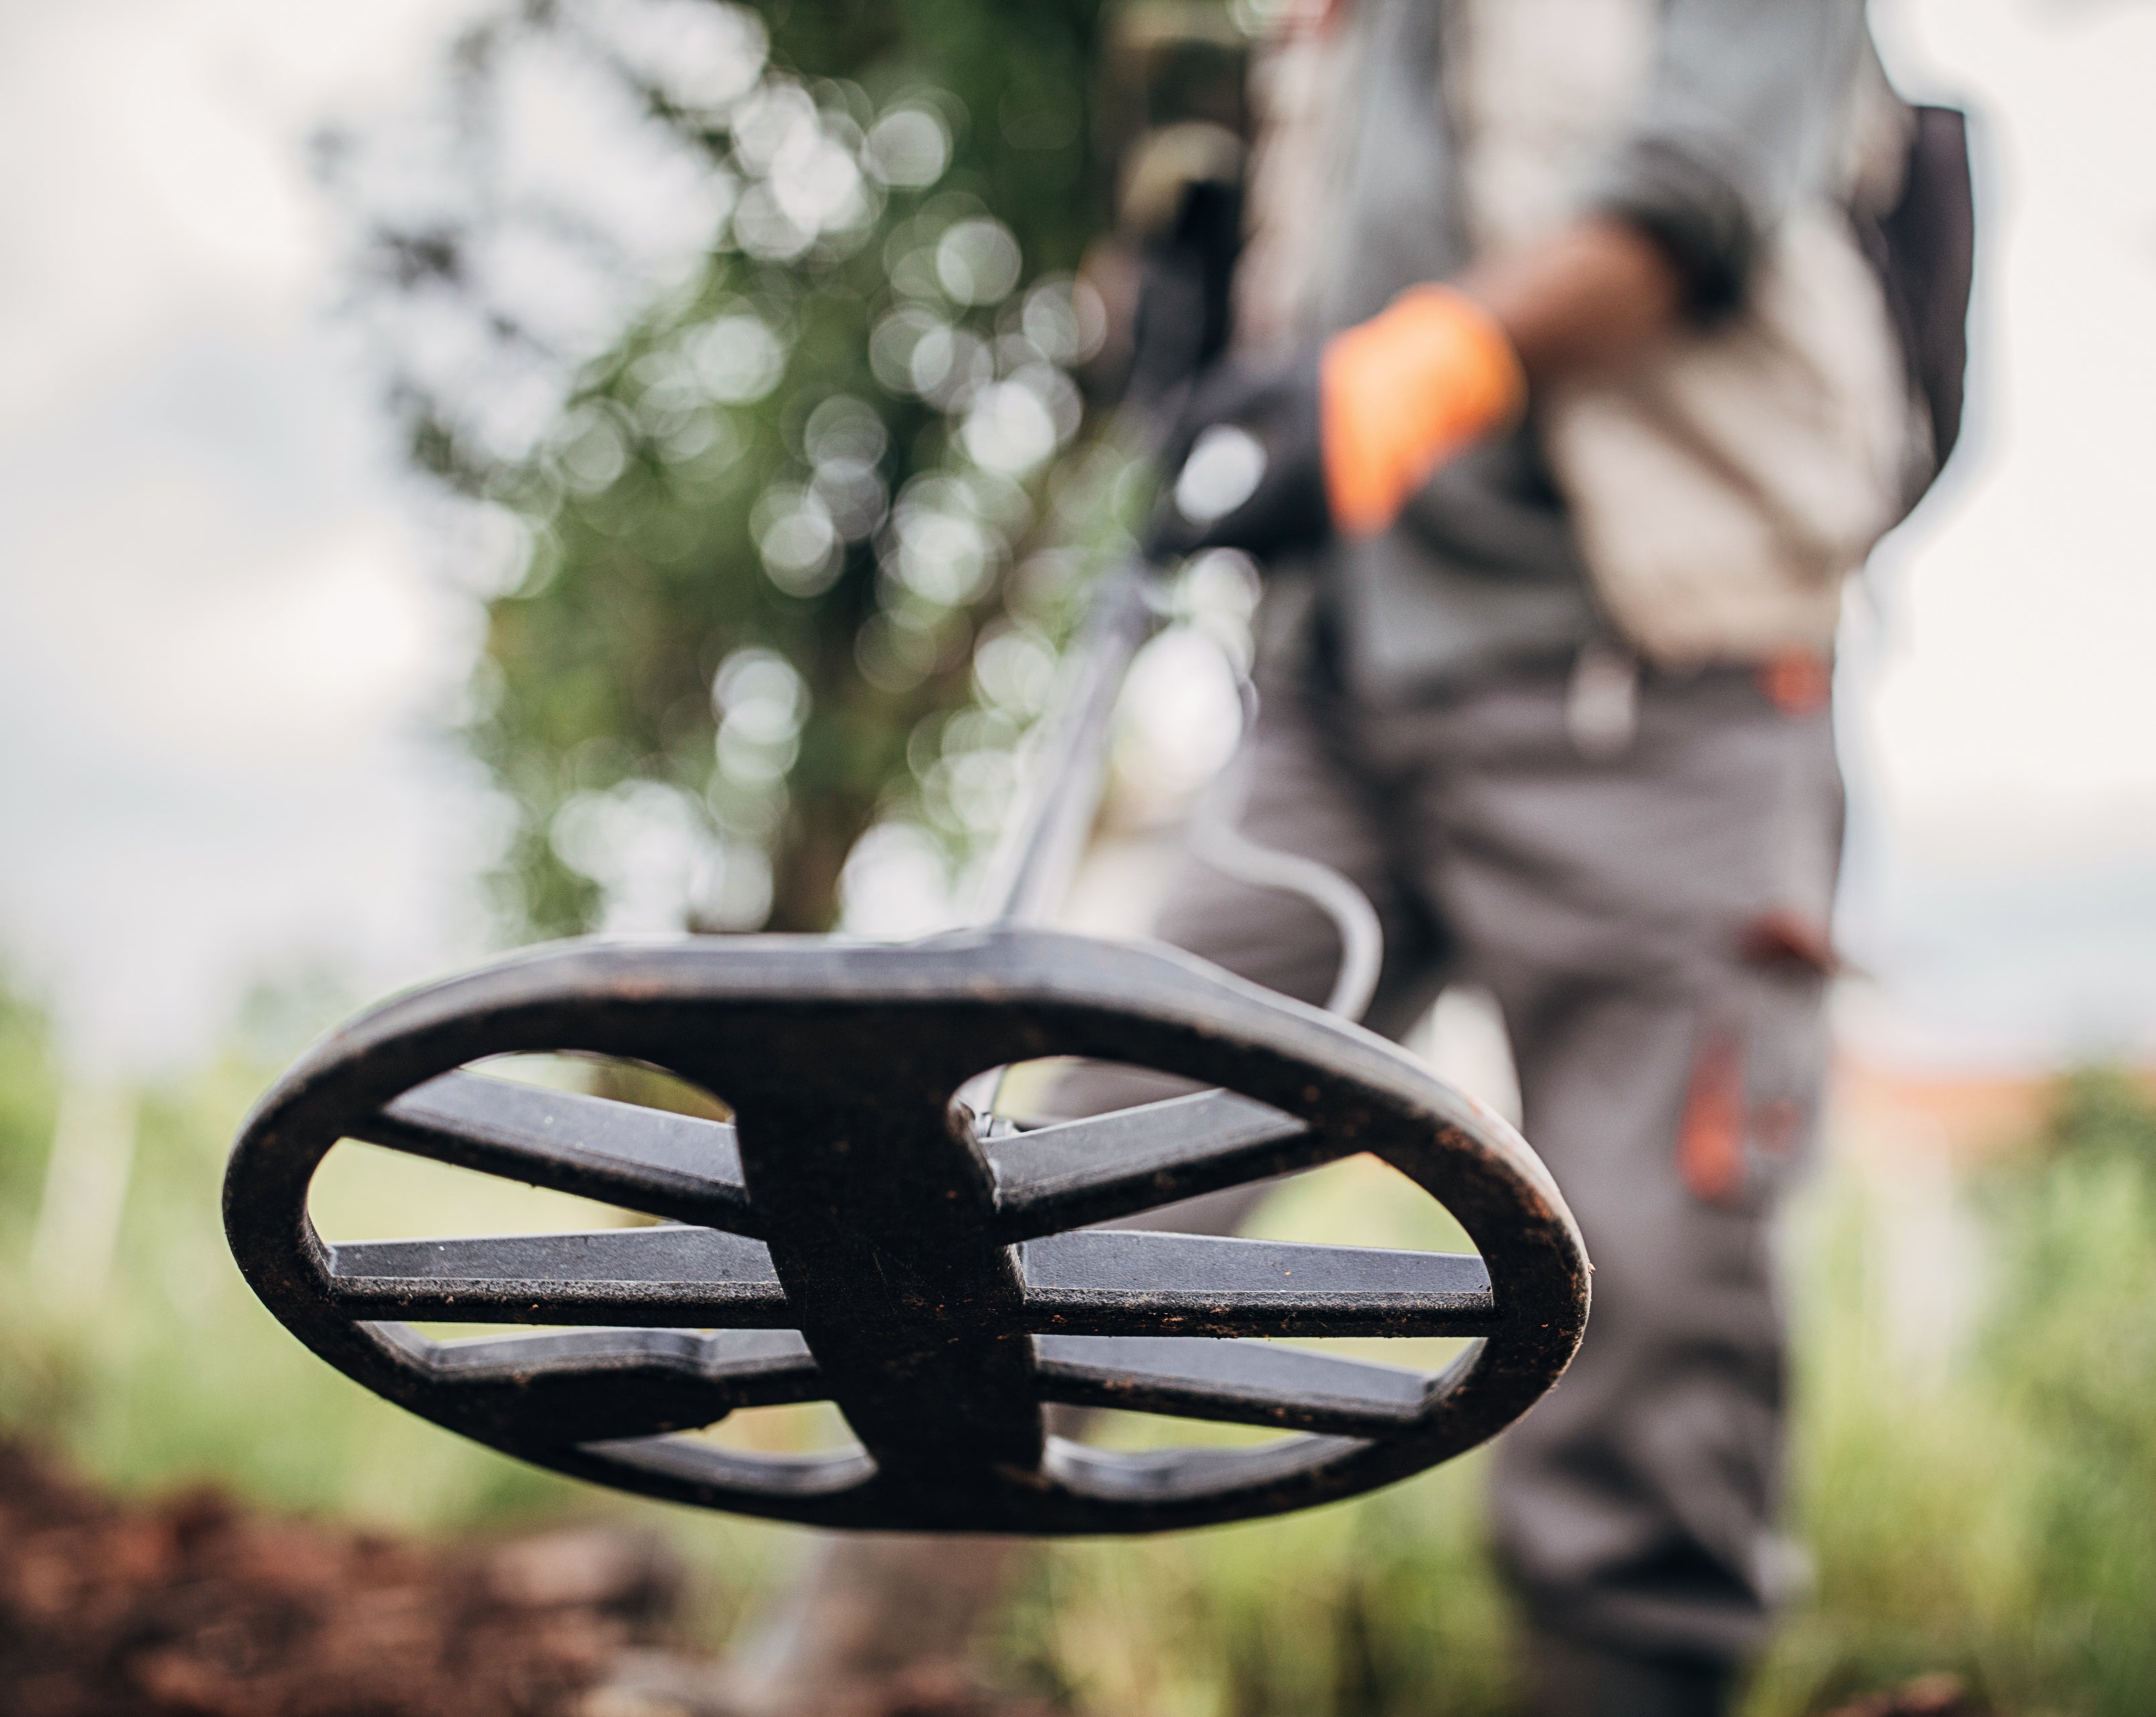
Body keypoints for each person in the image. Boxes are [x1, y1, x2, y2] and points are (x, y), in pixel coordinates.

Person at [719, 1, 1965, 1713]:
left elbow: (1697, 190)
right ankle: (825, 1680)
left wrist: (1399, 378)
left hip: (1656, 680)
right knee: (1068, 1196)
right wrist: (1194, 313)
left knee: (1659, 1285)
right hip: (1328, 703)